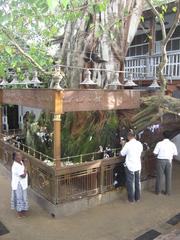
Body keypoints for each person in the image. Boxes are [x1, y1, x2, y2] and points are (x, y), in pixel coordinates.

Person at [120, 129, 143, 203]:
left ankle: (131, 199)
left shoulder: (128, 144)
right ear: (135, 136)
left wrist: (123, 145)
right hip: (138, 166)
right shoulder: (139, 144)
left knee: (130, 183)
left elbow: (122, 154)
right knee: (137, 182)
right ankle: (137, 198)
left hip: (130, 166)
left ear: (128, 137)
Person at [153, 130, 177, 196]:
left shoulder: (159, 143)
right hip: (169, 161)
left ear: (163, 136)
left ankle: (158, 192)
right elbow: (175, 154)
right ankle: (167, 192)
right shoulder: (172, 144)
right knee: (168, 177)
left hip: (160, 161)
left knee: (159, 176)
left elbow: (155, 153)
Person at [11, 151, 29, 218]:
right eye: (17, 155)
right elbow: (23, 176)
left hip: (23, 184)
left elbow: (24, 160)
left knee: (24, 197)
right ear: (14, 157)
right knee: (19, 198)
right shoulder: (15, 166)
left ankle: (23, 210)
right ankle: (19, 213)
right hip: (18, 184)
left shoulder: (20, 162)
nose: (20, 156)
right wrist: (26, 168)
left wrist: (24, 161)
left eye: (20, 155)